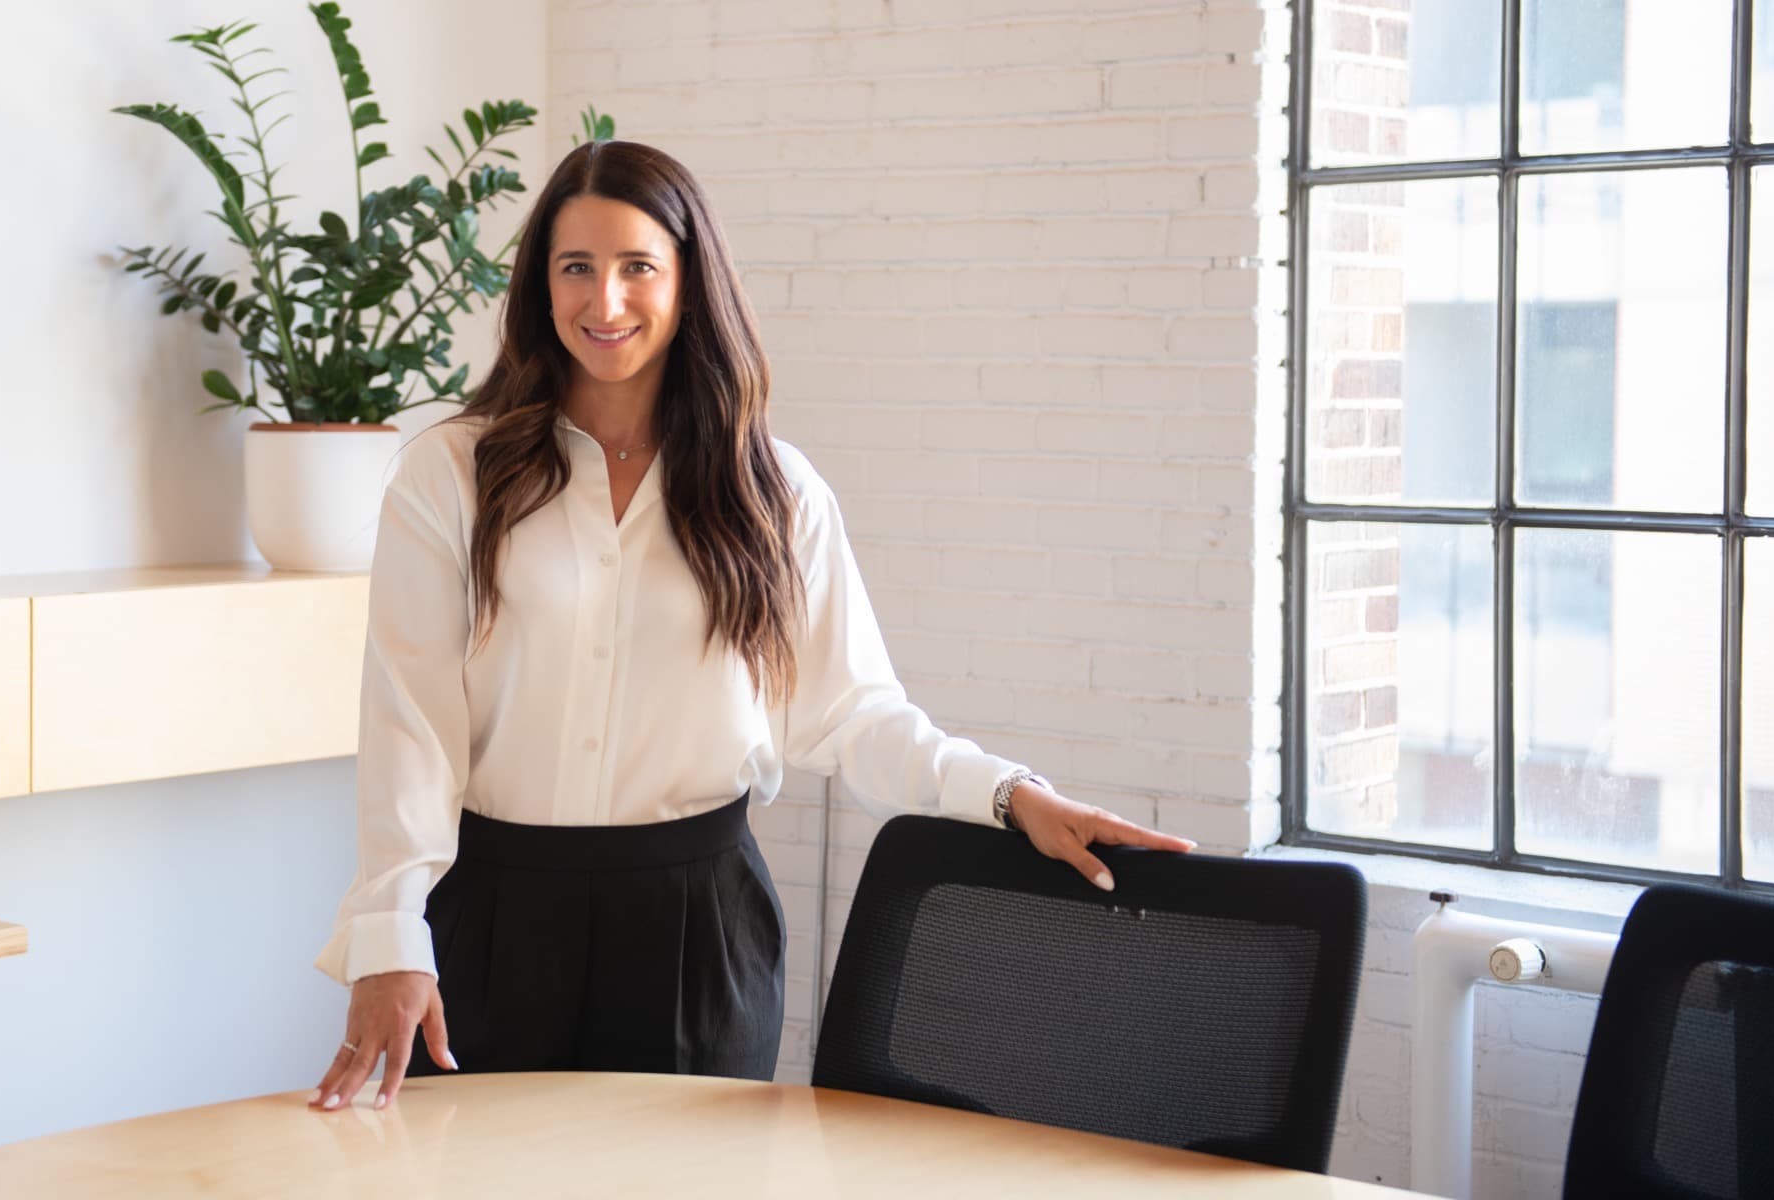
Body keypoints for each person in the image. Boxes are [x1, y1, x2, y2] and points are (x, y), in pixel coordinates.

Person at [308, 139, 1196, 1113]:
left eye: (638, 266)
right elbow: (409, 725)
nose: (605, 300)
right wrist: (391, 935)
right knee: (472, 1174)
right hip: (493, 912)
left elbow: (854, 713)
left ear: (689, 279)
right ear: (539, 284)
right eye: (576, 267)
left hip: (698, 930)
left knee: (688, 1181)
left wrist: (1010, 794)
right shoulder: (451, 474)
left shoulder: (773, 490)